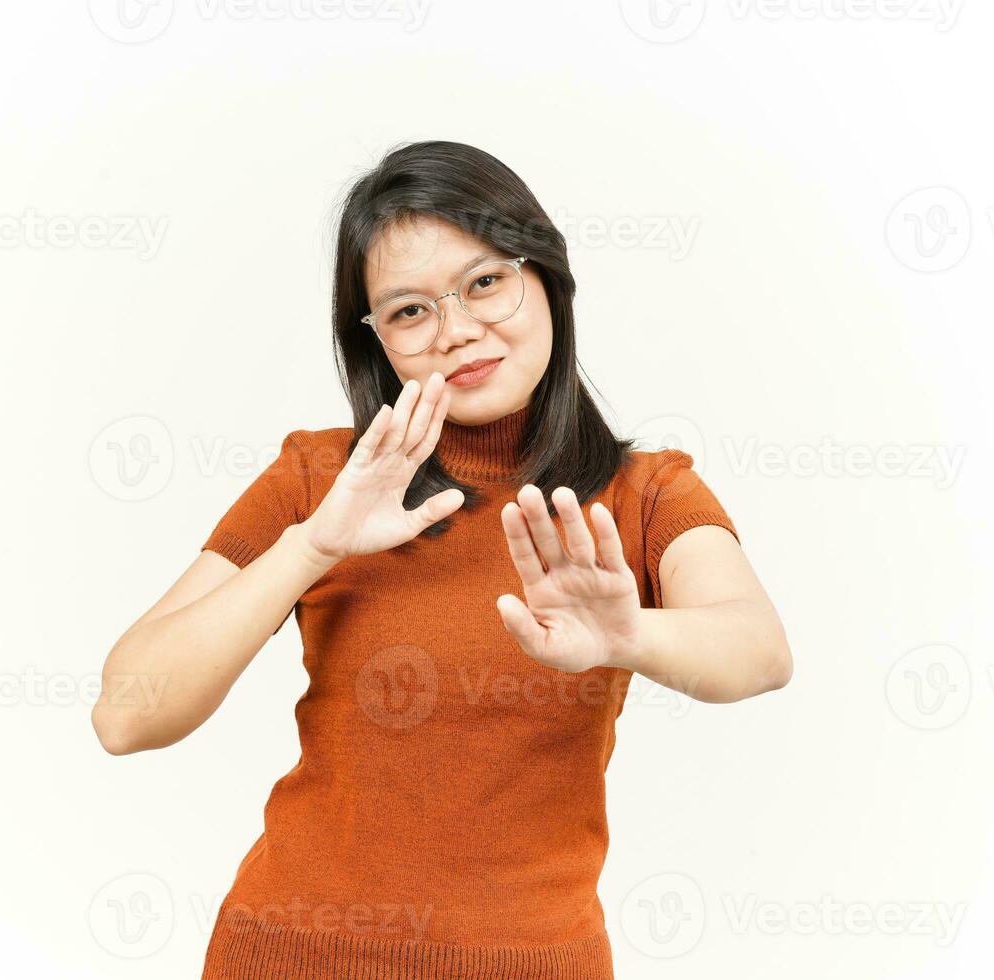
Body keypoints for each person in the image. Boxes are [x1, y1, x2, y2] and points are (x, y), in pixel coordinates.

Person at [92, 140, 792, 980]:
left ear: (547, 278)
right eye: (409, 310)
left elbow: (758, 651)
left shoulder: (646, 493)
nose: (457, 331)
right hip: (291, 955)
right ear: (376, 341)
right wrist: (312, 544)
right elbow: (126, 715)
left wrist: (628, 633)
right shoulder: (324, 479)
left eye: (485, 281)